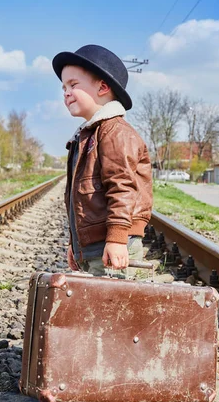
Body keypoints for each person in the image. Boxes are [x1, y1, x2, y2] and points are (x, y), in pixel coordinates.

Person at [52, 44, 153, 277]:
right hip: (95, 247)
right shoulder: (87, 135)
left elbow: (122, 187)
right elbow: (80, 201)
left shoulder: (115, 132)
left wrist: (117, 237)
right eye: (64, 87)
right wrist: (75, 246)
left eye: (74, 85)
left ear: (103, 87)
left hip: (115, 242)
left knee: (112, 307)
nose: (66, 92)